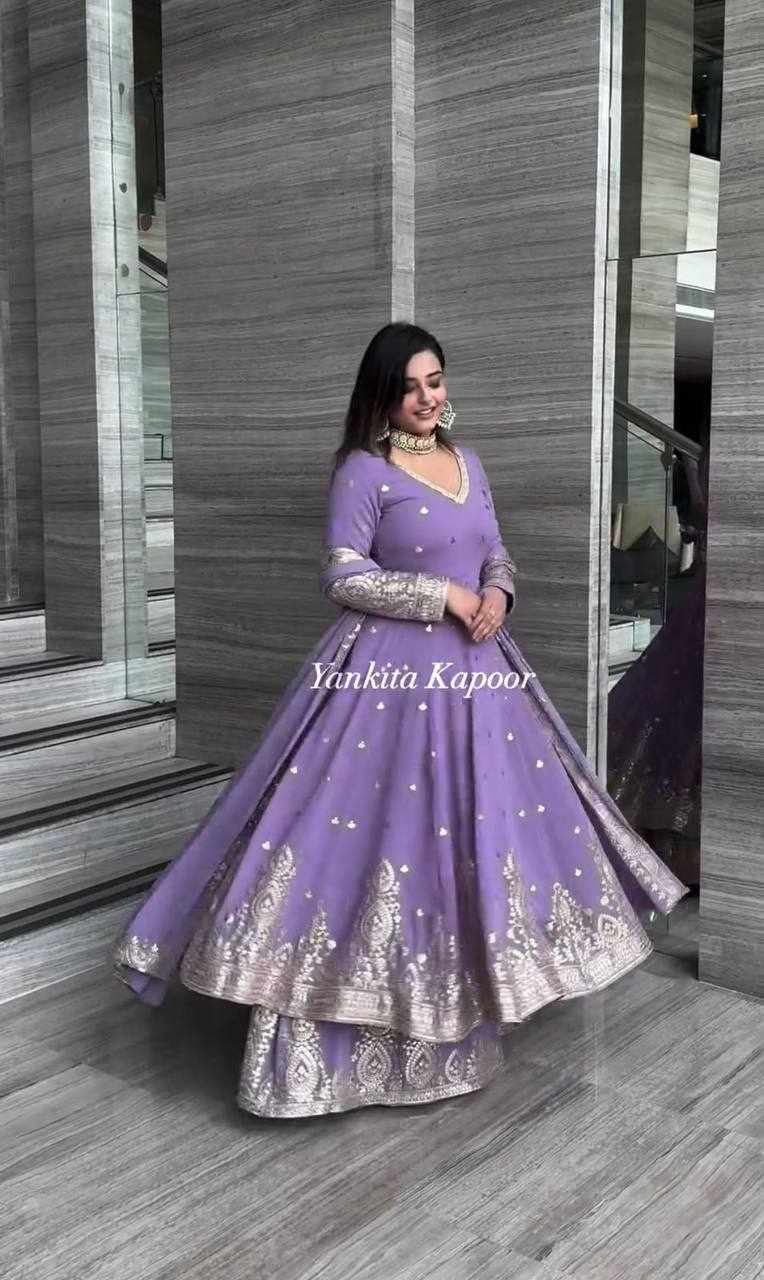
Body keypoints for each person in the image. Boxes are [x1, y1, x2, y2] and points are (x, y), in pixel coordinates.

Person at [113, 322, 690, 1119]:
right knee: (373, 836)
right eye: (410, 386)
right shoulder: (362, 469)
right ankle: (334, 1038)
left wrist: (498, 593)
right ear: (382, 394)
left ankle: (465, 1011)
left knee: (475, 834)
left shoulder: (468, 461)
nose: (427, 398)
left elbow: (495, 549)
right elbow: (342, 575)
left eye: (435, 381)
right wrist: (441, 595)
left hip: (479, 676)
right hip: (384, 679)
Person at [607, 426, 710, 888]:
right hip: (713, 605)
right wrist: (690, 469)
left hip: (717, 602)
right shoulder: (722, 450)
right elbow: (707, 513)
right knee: (684, 710)